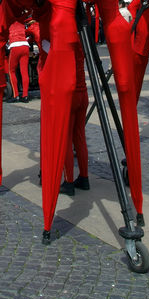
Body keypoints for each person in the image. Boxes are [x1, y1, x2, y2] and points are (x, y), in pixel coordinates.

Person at [60, 45, 90, 196]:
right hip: (83, 92)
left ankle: (69, 181)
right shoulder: (80, 39)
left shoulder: (65, 40)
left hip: (70, 95)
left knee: (66, 138)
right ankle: (84, 177)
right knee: (80, 137)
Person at [7, 18, 31, 102]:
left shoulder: (9, 22)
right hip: (25, 45)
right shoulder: (22, 22)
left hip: (15, 46)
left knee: (11, 71)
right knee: (24, 71)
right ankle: (25, 95)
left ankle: (16, 95)